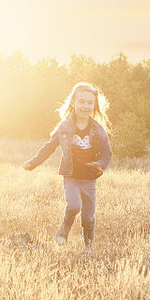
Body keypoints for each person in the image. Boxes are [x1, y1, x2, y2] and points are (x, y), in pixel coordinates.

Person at [23, 82, 112, 254]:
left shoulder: (98, 130)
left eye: (89, 102)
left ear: (94, 106)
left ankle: (88, 247)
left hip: (89, 179)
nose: (85, 106)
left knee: (88, 217)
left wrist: (100, 164)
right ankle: (64, 227)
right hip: (70, 176)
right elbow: (50, 147)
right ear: (73, 102)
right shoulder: (65, 127)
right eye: (81, 101)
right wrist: (33, 162)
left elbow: (107, 154)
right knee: (73, 206)